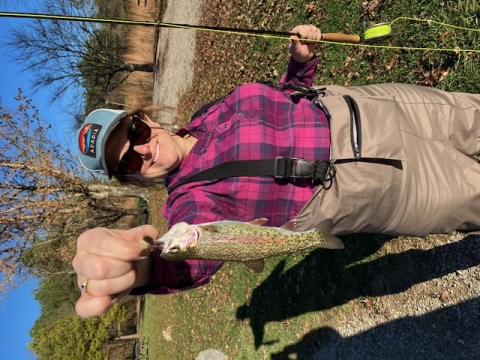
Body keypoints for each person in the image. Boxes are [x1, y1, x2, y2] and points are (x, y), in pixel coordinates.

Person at [74, 24, 480, 318]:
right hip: (379, 184)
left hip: (372, 107)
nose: (143, 149)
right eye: (128, 160)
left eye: (136, 131)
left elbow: (282, 97)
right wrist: (145, 270)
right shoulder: (188, 201)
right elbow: (189, 259)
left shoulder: (206, 115)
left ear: (146, 120)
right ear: (132, 178)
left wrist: (299, 65)